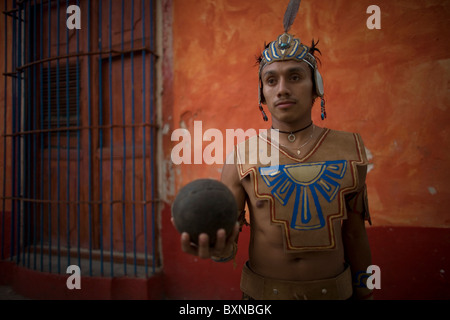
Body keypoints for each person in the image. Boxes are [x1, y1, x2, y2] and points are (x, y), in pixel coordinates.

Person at [177, 0, 373, 300]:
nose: (282, 88)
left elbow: (356, 233)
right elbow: (228, 239)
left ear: (315, 87)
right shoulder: (241, 157)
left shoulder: (350, 149)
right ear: (263, 95)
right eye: (271, 80)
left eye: (295, 76)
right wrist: (218, 250)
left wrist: (366, 292)